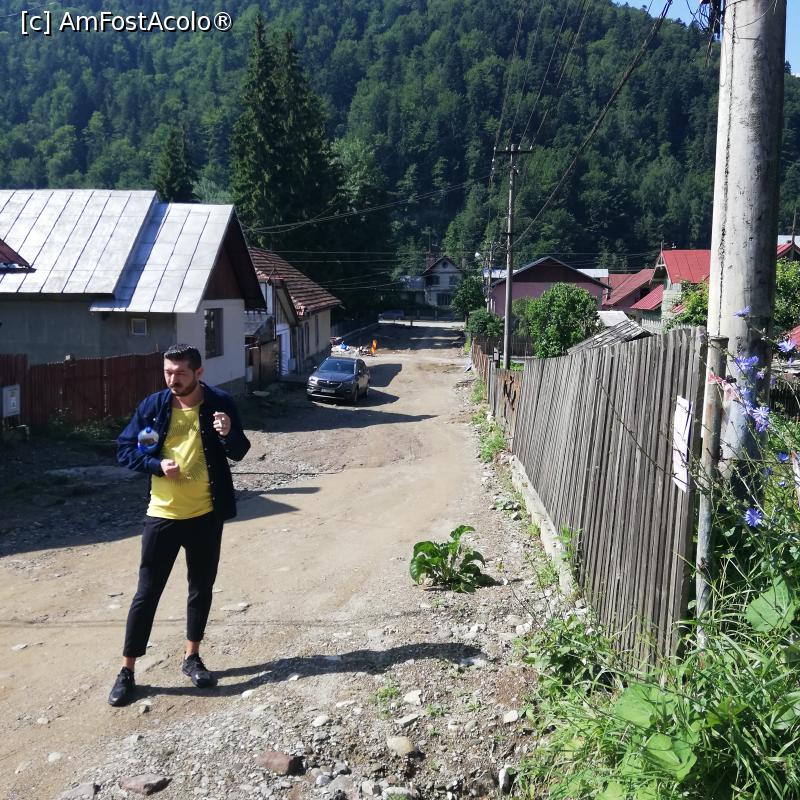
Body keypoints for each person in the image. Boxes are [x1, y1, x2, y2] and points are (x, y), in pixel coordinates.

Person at [107, 344, 250, 707]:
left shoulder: (219, 403)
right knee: (146, 594)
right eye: (167, 372)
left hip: (205, 515)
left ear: (198, 373)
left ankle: (192, 657)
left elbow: (239, 450)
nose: (172, 380)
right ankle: (127, 670)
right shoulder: (153, 407)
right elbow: (126, 449)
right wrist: (156, 466)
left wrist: (228, 432)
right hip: (162, 515)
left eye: (180, 373)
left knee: (200, 588)